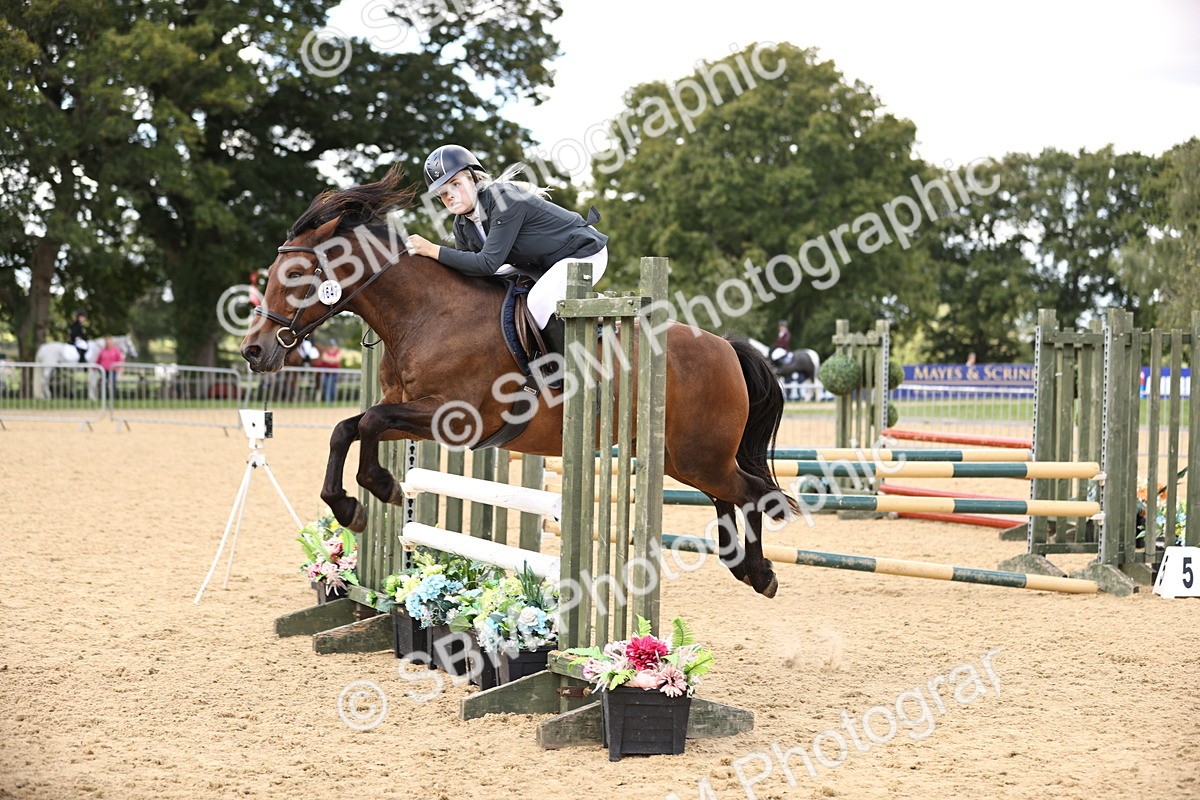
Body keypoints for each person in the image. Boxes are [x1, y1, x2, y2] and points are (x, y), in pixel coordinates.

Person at [404, 144, 609, 356]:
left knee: (538, 302)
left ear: (473, 179)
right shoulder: (461, 224)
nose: (450, 196)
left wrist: (432, 250)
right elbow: (469, 270)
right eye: (443, 192)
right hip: (544, 265)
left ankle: (571, 371)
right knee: (495, 288)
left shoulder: (505, 199)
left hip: (583, 252)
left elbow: (487, 263)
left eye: (456, 184)